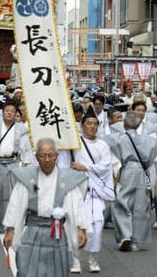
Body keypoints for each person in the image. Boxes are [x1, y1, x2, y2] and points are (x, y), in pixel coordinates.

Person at [3, 138, 89, 277]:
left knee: (56, 271)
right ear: (36, 157)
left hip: (57, 233)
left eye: (51, 155)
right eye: (42, 155)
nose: (47, 159)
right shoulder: (28, 177)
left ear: (57, 156)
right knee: (27, 270)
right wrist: (10, 230)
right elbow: (16, 205)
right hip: (32, 231)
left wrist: (81, 228)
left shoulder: (67, 179)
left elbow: (76, 206)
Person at [66, 107, 115, 274]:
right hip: (77, 190)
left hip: (95, 192)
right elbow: (66, 164)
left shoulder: (103, 145)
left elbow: (105, 167)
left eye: (95, 124)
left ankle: (93, 258)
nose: (92, 127)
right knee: (74, 225)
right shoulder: (74, 143)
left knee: (97, 226)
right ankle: (75, 260)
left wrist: (84, 167)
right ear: (82, 125)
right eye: (88, 123)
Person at [0, 102, 35, 230]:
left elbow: (26, 150)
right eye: (7, 110)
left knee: (13, 195)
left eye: (12, 111)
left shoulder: (21, 130)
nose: (9, 113)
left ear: (16, 114)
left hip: (14, 165)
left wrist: (27, 166)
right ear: (2, 112)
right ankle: (0, 222)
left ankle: (12, 222)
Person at [106, 111, 157, 251]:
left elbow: (105, 139)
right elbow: (151, 157)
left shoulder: (119, 138)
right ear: (139, 123)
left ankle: (125, 234)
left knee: (123, 201)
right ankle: (136, 240)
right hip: (142, 171)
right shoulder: (148, 140)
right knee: (141, 206)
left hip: (128, 170)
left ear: (125, 124)